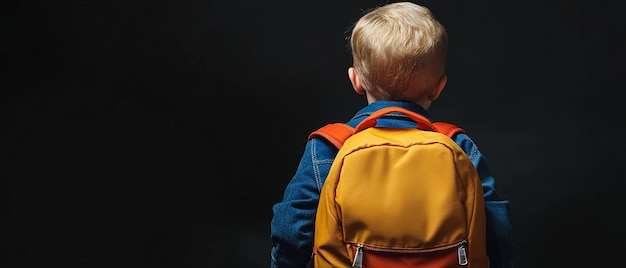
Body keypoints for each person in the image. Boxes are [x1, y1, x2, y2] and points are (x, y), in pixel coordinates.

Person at [270, 2, 513, 267]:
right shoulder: (458, 145)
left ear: (356, 80)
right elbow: (496, 226)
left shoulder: (330, 147)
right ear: (438, 88)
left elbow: (292, 229)